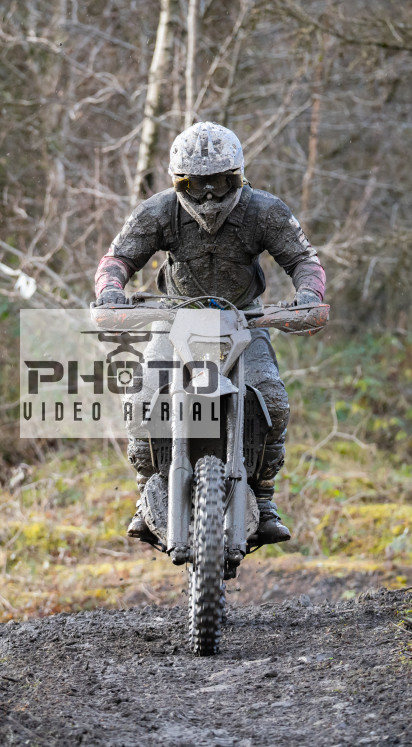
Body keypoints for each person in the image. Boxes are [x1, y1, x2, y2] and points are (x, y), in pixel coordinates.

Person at [93, 121, 326, 548]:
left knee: (273, 399)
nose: (208, 194)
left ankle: (264, 497)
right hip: (176, 320)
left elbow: (304, 260)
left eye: (220, 182)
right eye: (196, 184)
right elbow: (117, 259)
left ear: (237, 176)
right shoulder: (159, 210)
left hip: (245, 322)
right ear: (179, 182)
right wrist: (111, 290)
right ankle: (149, 493)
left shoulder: (263, 210)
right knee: (141, 400)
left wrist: (308, 292)